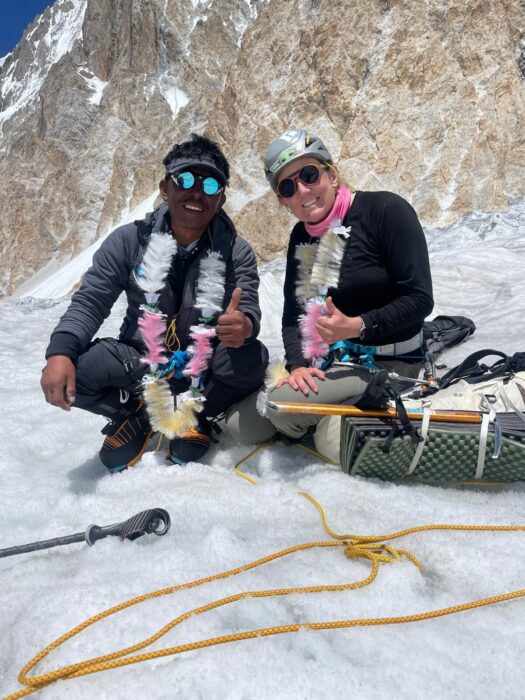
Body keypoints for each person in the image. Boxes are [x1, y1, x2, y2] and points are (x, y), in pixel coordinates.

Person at [41, 134, 268, 471]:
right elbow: (91, 301)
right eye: (186, 179)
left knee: (250, 358)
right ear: (165, 188)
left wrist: (244, 326)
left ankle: (196, 415)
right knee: (82, 369)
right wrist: (59, 352)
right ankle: (139, 412)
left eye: (210, 185)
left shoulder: (237, 252)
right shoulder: (129, 241)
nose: (196, 192)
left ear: (220, 200)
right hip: (141, 363)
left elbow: (247, 306)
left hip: (202, 371)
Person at [260, 128, 434, 443]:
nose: (302, 190)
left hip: (391, 363)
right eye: (288, 186)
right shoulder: (303, 237)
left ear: (332, 175)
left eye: (309, 175)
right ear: (283, 201)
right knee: (259, 417)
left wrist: (358, 326)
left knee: (280, 409)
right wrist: (297, 365)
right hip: (335, 360)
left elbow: (420, 298)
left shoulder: (386, 211)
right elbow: (294, 313)